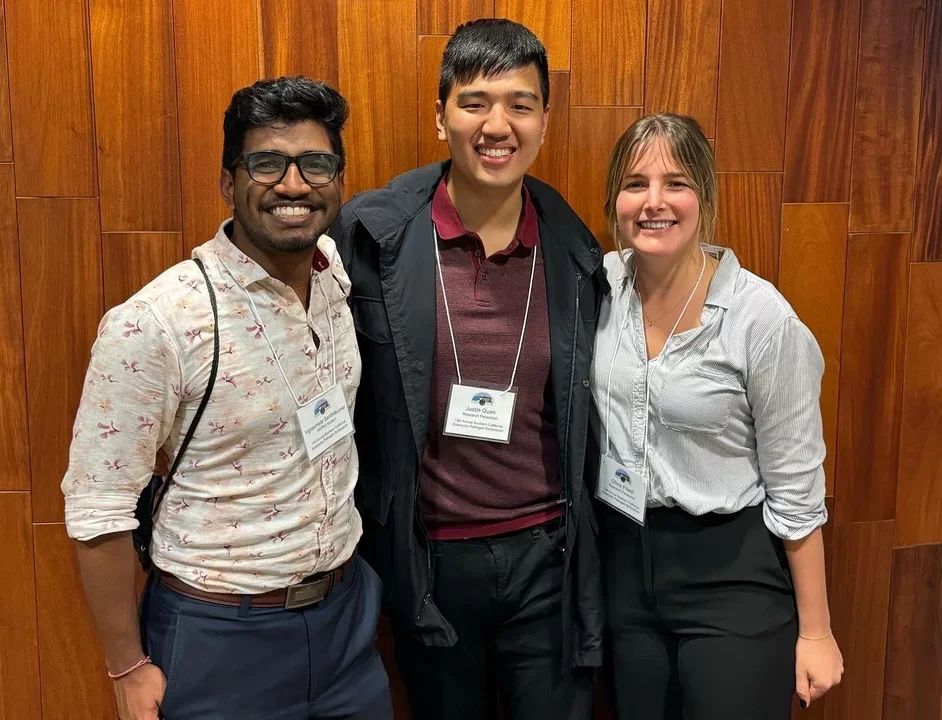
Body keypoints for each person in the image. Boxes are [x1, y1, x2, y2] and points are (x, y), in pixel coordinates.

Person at [61, 76, 392, 720]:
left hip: (346, 621)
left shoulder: (332, 273)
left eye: (315, 164)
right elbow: (98, 508)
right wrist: (127, 668)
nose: (293, 185)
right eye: (266, 163)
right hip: (219, 636)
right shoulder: (155, 323)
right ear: (227, 181)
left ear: (338, 178)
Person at [332, 18, 606, 720]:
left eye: (521, 103)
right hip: (429, 563)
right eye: (475, 101)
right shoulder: (371, 235)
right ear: (440, 115)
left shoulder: (577, 252)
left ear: (545, 119)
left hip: (549, 559)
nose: (498, 124)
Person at [590, 113, 844, 719]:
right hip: (624, 564)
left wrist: (817, 631)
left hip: (731, 574)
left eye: (675, 182)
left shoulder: (761, 320)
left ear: (704, 197)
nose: (654, 202)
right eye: (634, 184)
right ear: (614, 200)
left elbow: (797, 486)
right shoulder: (598, 285)